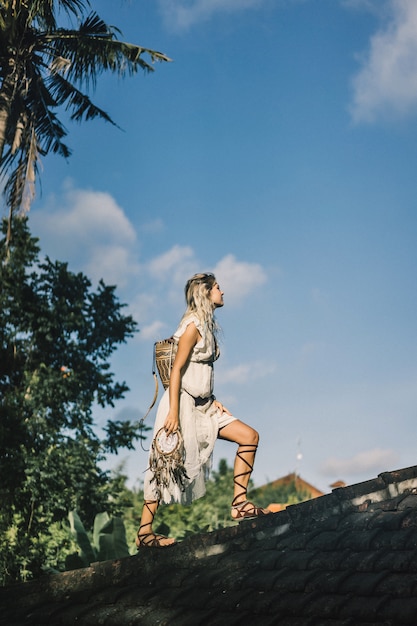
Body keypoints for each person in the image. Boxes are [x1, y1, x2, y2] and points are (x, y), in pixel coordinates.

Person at [136, 272, 270, 548]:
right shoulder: (192, 325)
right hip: (181, 404)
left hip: (206, 405)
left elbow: (199, 372)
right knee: (164, 464)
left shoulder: (207, 325)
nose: (223, 292)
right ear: (206, 293)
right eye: (218, 288)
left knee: (249, 436)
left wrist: (212, 397)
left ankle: (239, 504)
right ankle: (144, 533)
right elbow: (176, 372)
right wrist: (173, 412)